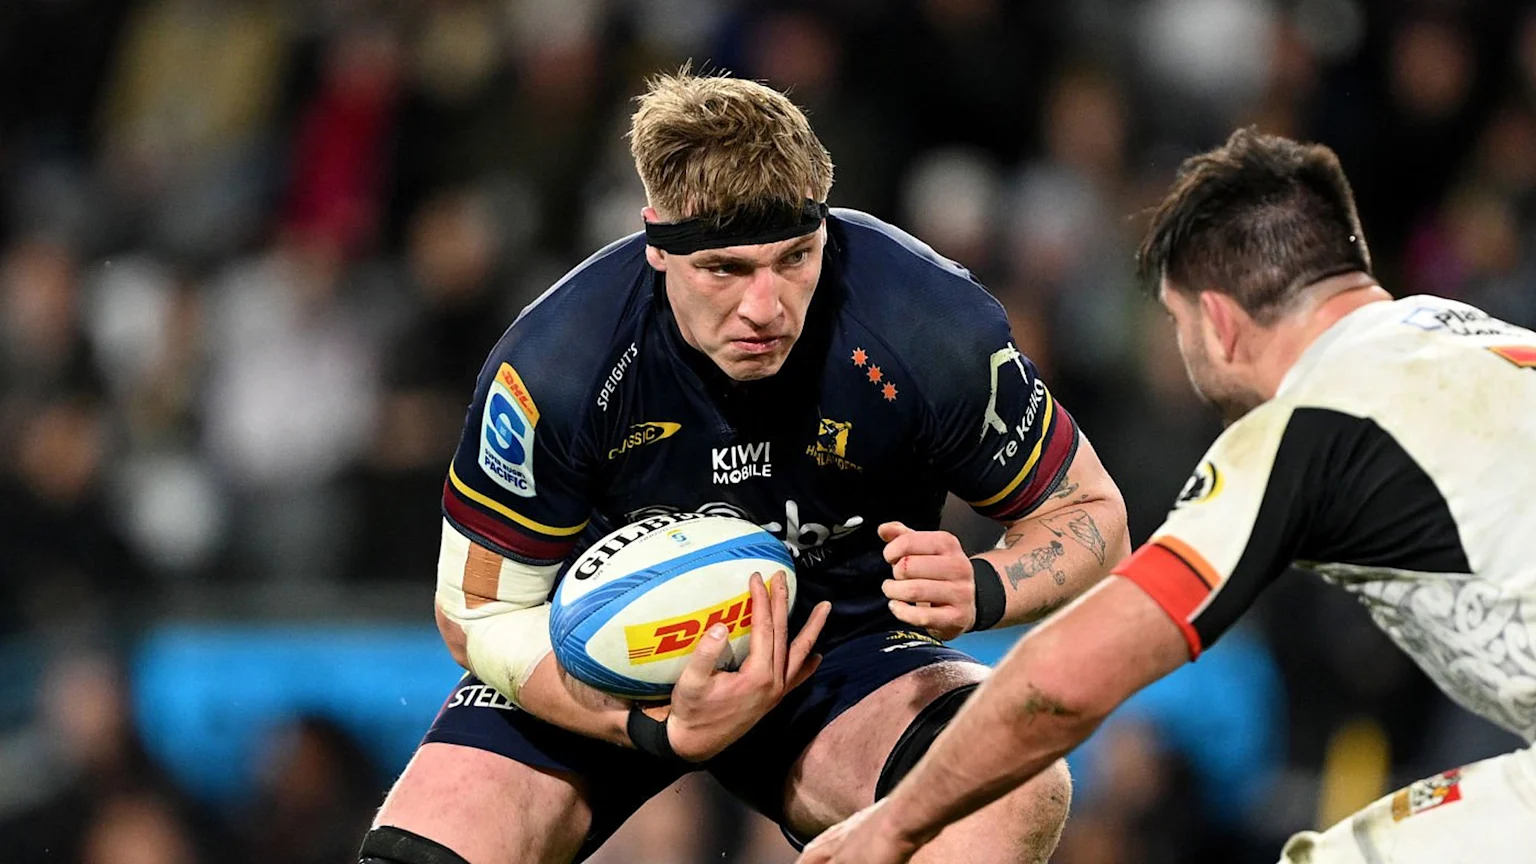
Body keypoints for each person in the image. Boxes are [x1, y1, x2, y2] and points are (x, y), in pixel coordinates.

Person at [356, 71, 1131, 864]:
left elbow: (1092, 515)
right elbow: (477, 613)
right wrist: (650, 727)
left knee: (1013, 785)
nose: (765, 308)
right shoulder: (556, 364)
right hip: (600, 655)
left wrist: (987, 584)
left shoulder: (927, 325)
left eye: (795, 258)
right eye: (724, 269)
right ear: (657, 245)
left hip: (844, 651)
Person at [797, 128, 1536, 864]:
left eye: (1178, 323)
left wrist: (894, 825)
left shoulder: (1309, 422)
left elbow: (1066, 681)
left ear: (1218, 322)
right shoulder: (1479, 337)